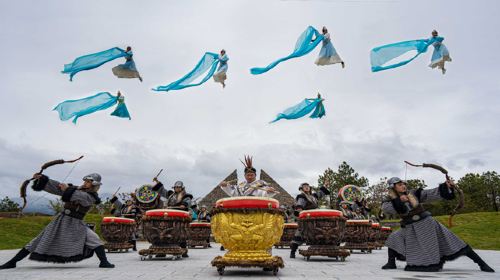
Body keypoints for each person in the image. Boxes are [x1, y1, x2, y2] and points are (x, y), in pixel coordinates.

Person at [0, 173, 114, 269]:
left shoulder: (92, 196)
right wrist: (43, 179)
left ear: (94, 184)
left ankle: (104, 262)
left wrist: (67, 189)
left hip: (76, 223)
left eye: (88, 181)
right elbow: (58, 187)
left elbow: (78, 196)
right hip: (62, 220)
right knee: (37, 241)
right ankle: (12, 262)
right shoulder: (76, 189)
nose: (85, 183)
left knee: (94, 239)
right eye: (86, 181)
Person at [381, 177, 494, 272]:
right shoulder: (389, 201)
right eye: (400, 185)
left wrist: (446, 186)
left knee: (454, 242)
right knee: (394, 238)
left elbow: (430, 193)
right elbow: (388, 209)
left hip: (426, 223)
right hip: (410, 227)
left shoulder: (414, 193)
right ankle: (391, 263)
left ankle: (481, 264)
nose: (403, 186)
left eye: (403, 184)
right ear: (393, 188)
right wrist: (399, 201)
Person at [152, 179, 193, 257]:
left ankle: (183, 250)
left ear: (182, 188)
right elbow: (162, 191)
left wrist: (183, 205)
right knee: (164, 231)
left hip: (180, 216)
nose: (177, 188)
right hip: (169, 215)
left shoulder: (186, 195)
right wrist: (158, 182)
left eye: (178, 187)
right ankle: (162, 251)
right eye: (175, 187)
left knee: (180, 232)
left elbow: (186, 203)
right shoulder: (170, 194)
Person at [290, 182, 330, 258]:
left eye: (308, 186)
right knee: (300, 233)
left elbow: (320, 193)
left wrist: (325, 185)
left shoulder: (313, 196)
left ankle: (325, 249)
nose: (307, 187)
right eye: (304, 186)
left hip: (315, 217)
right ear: (301, 189)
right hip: (306, 217)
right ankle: (293, 251)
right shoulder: (301, 196)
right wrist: (299, 210)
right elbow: (300, 205)